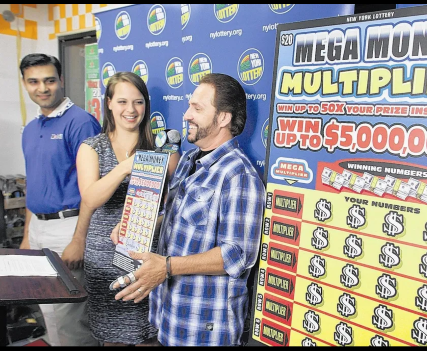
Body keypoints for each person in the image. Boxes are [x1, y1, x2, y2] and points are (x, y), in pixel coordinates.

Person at [111, 73, 266, 346]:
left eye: (197, 108)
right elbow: (179, 217)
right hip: (171, 315)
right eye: (189, 106)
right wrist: (138, 223)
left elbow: (237, 255)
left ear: (223, 118)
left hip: (204, 329)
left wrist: (167, 267)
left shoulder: (238, 175)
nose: (186, 115)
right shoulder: (188, 160)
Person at [76, 71, 180, 346]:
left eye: (139, 102)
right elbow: (90, 198)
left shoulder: (163, 145)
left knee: (151, 336)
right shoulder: (92, 147)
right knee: (113, 338)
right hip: (105, 258)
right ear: (108, 103)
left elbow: (174, 202)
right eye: (122, 102)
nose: (131, 110)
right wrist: (125, 166)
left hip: (150, 257)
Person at [19, 53, 101, 346]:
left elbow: (96, 190)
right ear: (25, 85)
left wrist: (79, 239)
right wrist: (28, 235)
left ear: (61, 80)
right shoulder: (30, 129)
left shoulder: (81, 123)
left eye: (49, 80)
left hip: (69, 227)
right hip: (38, 228)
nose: (43, 87)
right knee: (49, 313)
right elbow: (34, 184)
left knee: (71, 319)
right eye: (34, 81)